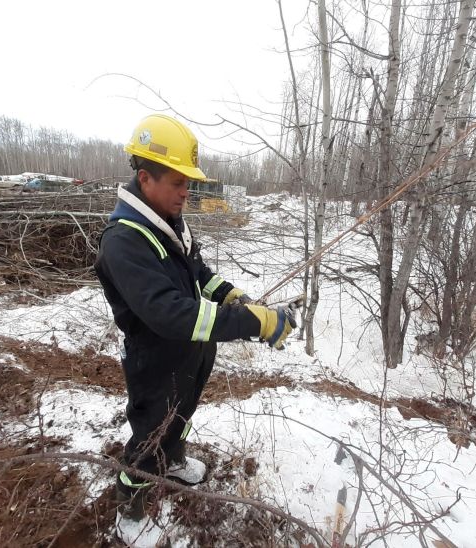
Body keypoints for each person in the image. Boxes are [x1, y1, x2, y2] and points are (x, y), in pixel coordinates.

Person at [94, 114, 295, 543]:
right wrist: (251, 322)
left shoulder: (167, 221)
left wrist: (232, 296)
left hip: (191, 349)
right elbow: (171, 313)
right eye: (178, 182)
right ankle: (130, 514)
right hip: (156, 358)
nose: (188, 191)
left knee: (180, 416)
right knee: (149, 439)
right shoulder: (124, 240)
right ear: (145, 178)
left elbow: (197, 272)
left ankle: (177, 459)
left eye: (189, 181)